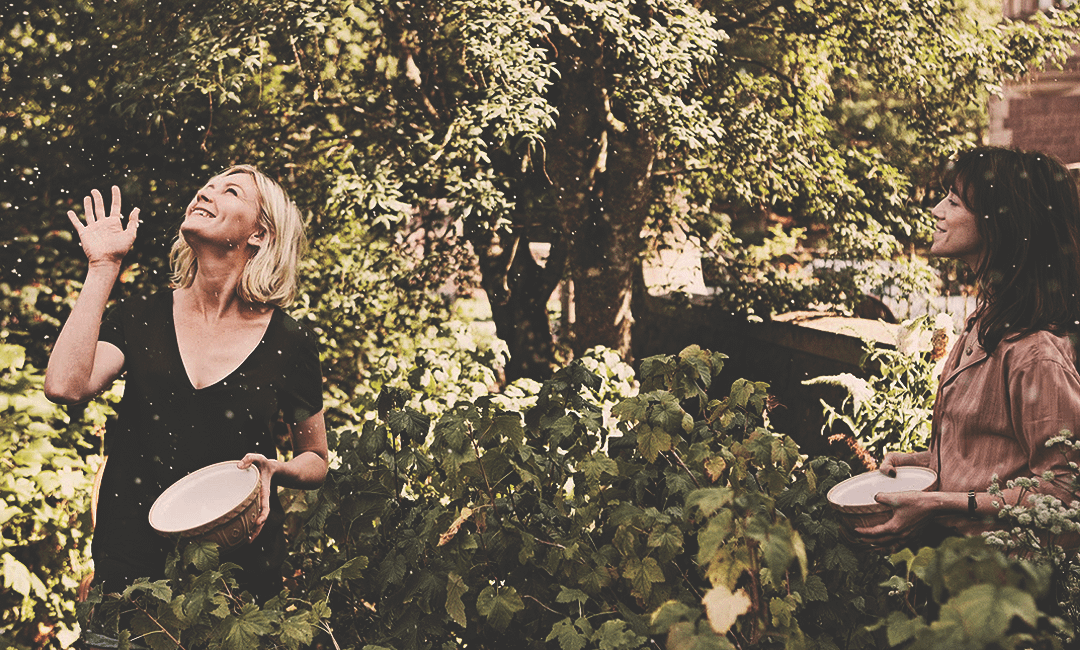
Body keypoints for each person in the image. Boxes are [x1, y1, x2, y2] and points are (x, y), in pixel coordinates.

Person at [45, 166, 327, 644]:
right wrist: (103, 268)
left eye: (229, 190)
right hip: (129, 567)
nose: (206, 192)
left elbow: (316, 458)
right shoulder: (141, 317)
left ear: (259, 234)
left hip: (236, 576)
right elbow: (65, 385)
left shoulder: (290, 341)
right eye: (207, 185)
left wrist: (276, 470)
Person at [857, 146, 1080, 548]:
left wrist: (936, 503)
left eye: (954, 202)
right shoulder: (986, 320)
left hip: (1001, 576)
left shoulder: (1034, 353)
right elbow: (995, 459)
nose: (936, 211)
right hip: (956, 566)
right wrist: (920, 463)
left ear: (999, 224)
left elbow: (1062, 493)